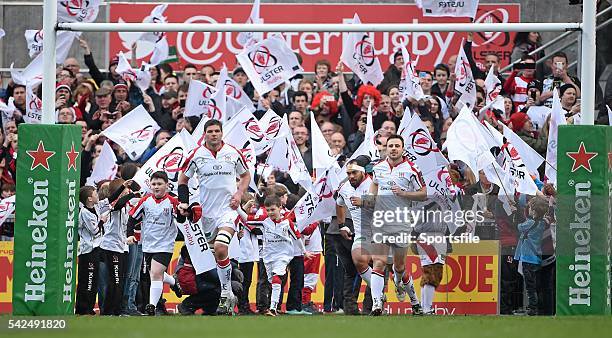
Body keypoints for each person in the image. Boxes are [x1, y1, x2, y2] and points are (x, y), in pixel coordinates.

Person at [177, 119, 251, 315]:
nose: (214, 134)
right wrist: (183, 202)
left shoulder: (233, 153)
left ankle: (226, 293)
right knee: (214, 258)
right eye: (210, 131)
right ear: (205, 134)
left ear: (221, 133)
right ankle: (222, 296)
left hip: (228, 210)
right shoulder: (196, 155)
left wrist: (239, 194)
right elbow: (183, 180)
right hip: (207, 214)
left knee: (221, 247)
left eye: (217, 131)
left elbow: (246, 176)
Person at [366, 135, 426, 315]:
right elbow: (374, 186)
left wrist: (404, 193)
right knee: (379, 262)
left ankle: (414, 301)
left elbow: (423, 193)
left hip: (401, 221)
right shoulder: (378, 167)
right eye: (390, 145)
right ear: (386, 148)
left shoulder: (411, 169)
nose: (393, 148)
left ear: (402, 148)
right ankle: (377, 304)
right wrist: (370, 198)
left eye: (397, 146)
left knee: (399, 267)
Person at [237, 195, 313, 316]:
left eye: (273, 209)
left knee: (277, 277)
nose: (270, 212)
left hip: (283, 256)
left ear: (280, 208)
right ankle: (271, 306)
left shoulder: (287, 222)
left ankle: (272, 308)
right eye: (268, 210)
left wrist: (304, 252)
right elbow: (247, 218)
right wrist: (237, 208)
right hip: (268, 256)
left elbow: (297, 237)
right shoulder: (264, 221)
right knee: (272, 281)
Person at [126, 171, 185, 316]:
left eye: (159, 184)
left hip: (165, 244)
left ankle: (151, 306)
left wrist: (184, 213)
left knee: (156, 273)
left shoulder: (172, 202)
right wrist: (130, 235)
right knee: (155, 273)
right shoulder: (145, 201)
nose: (156, 187)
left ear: (167, 185)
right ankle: (172, 281)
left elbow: (182, 220)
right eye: (153, 184)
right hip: (148, 244)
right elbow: (132, 218)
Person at [75, 186, 107, 315]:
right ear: (89, 199)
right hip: (87, 251)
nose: (97, 195)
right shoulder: (85, 212)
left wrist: (122, 187)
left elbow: (110, 201)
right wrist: (102, 221)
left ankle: (89, 308)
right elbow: (94, 231)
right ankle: (83, 309)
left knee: (93, 280)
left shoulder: (96, 208)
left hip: (95, 249)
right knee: (87, 279)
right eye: (95, 193)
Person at [514, 196, 549, 316]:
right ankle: (537, 307)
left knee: (529, 286)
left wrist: (516, 211)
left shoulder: (530, 223)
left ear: (533, 211)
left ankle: (532, 308)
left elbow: (519, 226)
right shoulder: (542, 223)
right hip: (536, 258)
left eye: (529, 207)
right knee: (535, 285)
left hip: (527, 258)